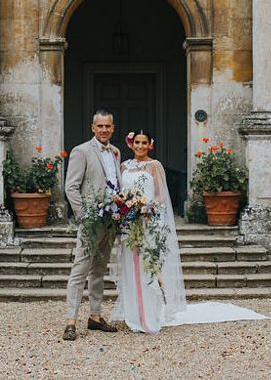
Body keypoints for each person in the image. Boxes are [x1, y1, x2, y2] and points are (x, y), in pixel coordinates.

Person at [110, 130, 186, 333]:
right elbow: (119, 193)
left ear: (150, 144)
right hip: (128, 223)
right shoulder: (124, 165)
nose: (141, 146)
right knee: (130, 267)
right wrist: (125, 206)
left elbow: (162, 196)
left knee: (148, 267)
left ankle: (150, 315)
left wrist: (145, 206)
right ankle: (134, 315)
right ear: (131, 144)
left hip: (148, 222)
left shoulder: (154, 166)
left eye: (144, 142)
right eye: (137, 142)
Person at [62, 110, 122, 341]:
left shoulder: (115, 152)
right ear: (93, 128)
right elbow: (71, 187)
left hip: (111, 221)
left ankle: (95, 316)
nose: (104, 130)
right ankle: (70, 321)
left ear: (113, 128)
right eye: (100, 126)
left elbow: (114, 185)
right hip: (91, 221)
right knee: (80, 269)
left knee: (99, 269)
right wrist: (84, 215)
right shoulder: (81, 151)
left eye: (108, 126)